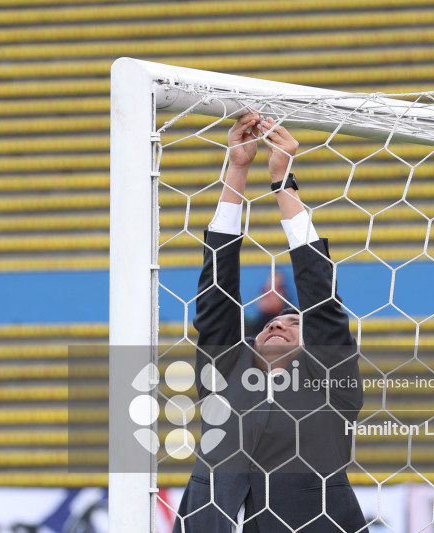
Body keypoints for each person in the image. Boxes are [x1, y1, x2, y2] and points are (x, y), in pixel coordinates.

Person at [173, 113, 366, 533]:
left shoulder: (332, 387)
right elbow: (216, 298)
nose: (278, 323)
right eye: (271, 323)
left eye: (294, 322)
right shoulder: (223, 375)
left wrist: (282, 183)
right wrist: (238, 169)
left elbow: (322, 298)